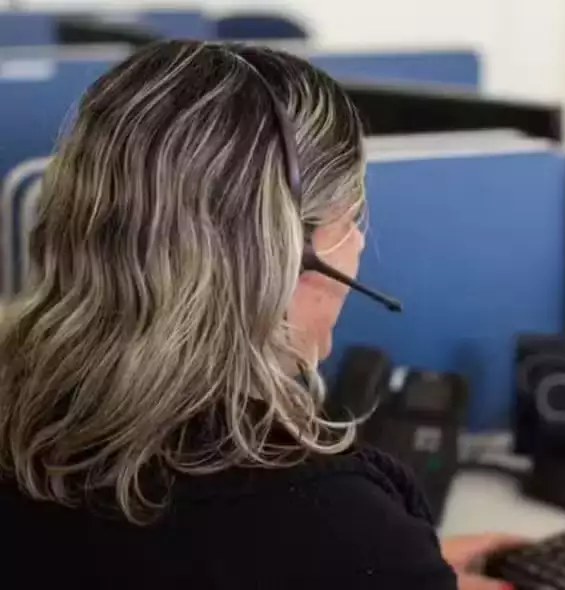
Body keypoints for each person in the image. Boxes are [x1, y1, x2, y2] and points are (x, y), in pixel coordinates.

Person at [0, 40, 517, 589]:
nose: (360, 243)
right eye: (350, 219)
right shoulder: (328, 523)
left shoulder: (26, 431)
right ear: (290, 254)